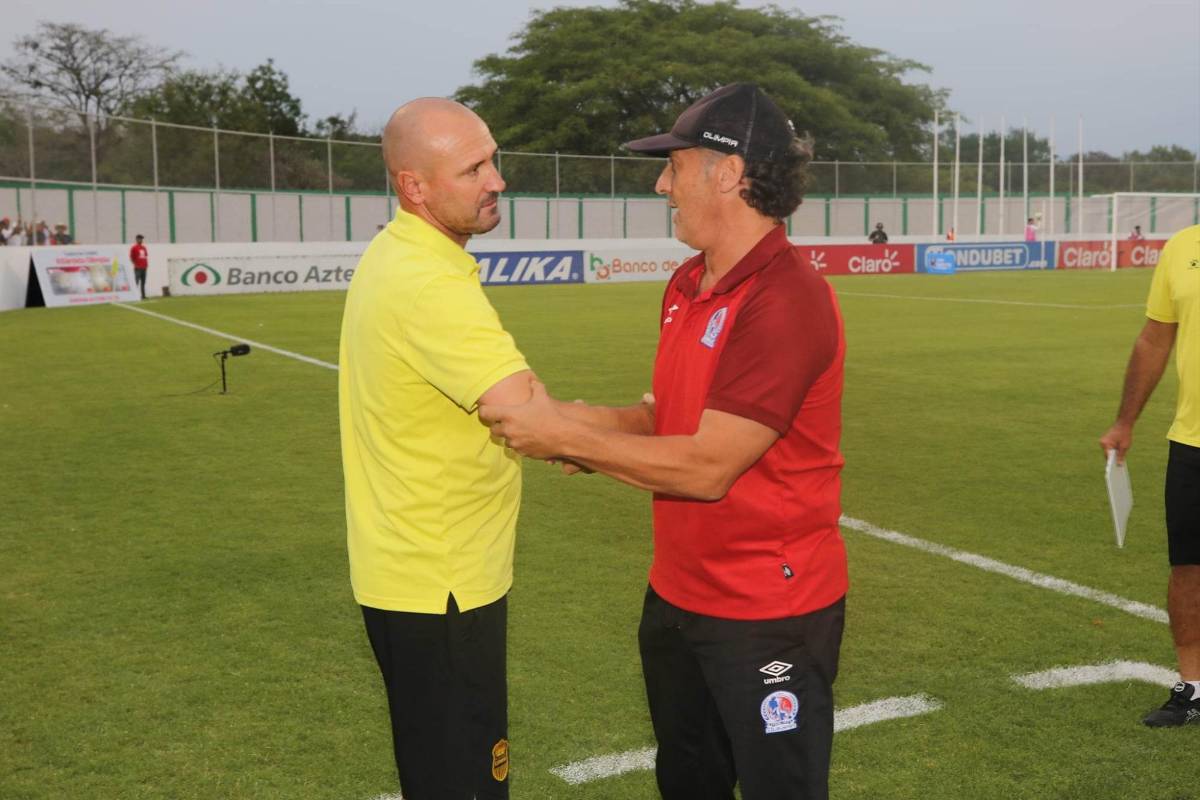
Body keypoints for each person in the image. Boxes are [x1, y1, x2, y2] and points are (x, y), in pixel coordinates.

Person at [482, 83, 847, 800]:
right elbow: (666, 422)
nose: (661, 184)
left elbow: (709, 466)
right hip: (677, 599)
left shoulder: (787, 298)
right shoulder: (688, 282)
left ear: (728, 172)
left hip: (768, 618)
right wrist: (577, 421)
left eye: (673, 166)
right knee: (687, 782)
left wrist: (565, 436)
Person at [338, 97, 532, 800]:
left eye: (494, 160)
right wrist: (639, 432)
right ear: (414, 187)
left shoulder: (398, 253)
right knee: (467, 784)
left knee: (438, 776)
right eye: (473, 168)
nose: (496, 181)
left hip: (410, 569)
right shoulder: (425, 281)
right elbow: (521, 411)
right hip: (444, 579)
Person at [1099, 223, 1200, 727]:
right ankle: (1194, 688)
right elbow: (1155, 338)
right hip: (1192, 441)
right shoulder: (1182, 247)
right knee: (1188, 568)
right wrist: (1125, 421)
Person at [130, 235, 149, 299]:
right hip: (138, 267)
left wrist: (145, 265)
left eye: (142, 239)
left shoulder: (144, 247)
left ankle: (143, 296)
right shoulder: (134, 248)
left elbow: (145, 256)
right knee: (136, 282)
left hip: (144, 267)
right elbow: (131, 257)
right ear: (137, 239)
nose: (141, 240)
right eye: (140, 239)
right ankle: (134, 295)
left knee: (143, 282)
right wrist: (135, 264)